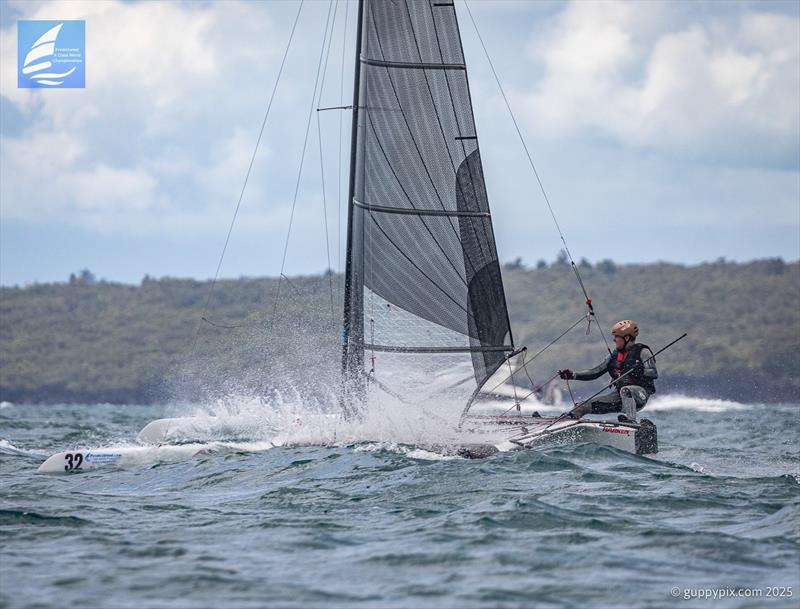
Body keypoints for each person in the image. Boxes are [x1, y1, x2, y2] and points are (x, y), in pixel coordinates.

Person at [558, 320, 657, 422]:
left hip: (640, 396)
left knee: (626, 390)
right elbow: (595, 372)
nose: (614, 340)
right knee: (583, 406)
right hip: (618, 397)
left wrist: (637, 370)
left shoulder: (643, 352)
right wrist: (573, 375)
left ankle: (631, 421)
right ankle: (567, 420)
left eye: (616, 337)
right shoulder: (613, 357)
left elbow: (653, 374)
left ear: (626, 338)